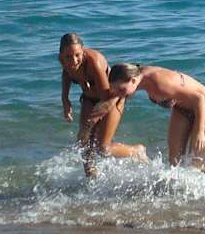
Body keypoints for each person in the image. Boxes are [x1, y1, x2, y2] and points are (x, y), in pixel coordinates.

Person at [107, 63, 205, 174]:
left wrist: (200, 132)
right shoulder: (137, 76)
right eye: (115, 90)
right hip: (182, 110)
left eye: (121, 90)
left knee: (196, 163)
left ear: (133, 80)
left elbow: (199, 98)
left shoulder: (159, 82)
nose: (119, 94)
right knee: (174, 163)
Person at [58, 33, 146, 176]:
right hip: (89, 98)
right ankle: (91, 181)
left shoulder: (94, 62)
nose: (73, 60)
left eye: (77, 55)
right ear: (61, 55)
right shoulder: (64, 60)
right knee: (84, 145)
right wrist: (65, 99)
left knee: (103, 148)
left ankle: (137, 151)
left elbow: (106, 98)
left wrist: (91, 124)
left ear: (83, 51)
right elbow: (67, 72)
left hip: (111, 99)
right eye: (68, 57)